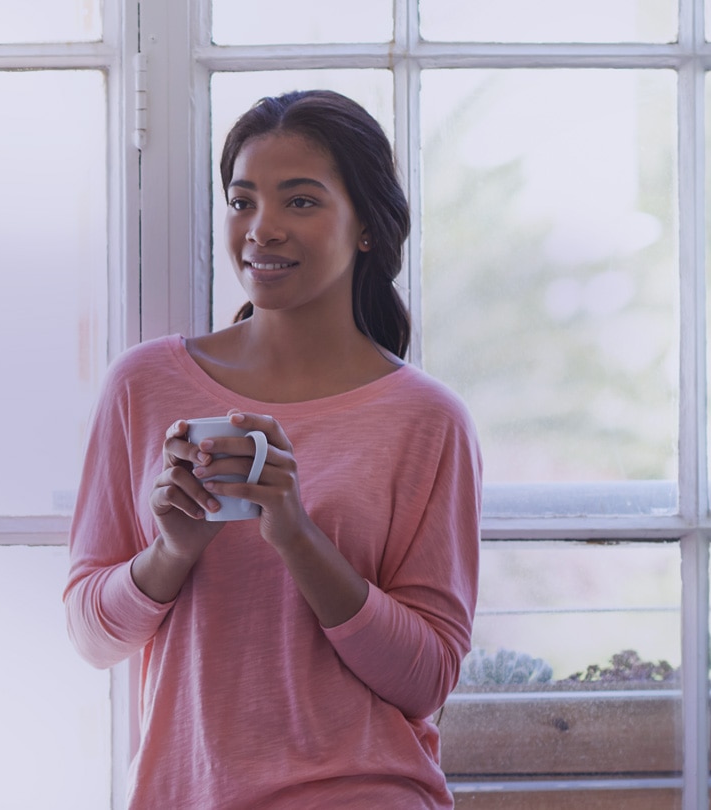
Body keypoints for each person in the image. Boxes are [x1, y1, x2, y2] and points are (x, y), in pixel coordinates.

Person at [64, 90, 483, 808]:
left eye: (301, 202)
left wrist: (295, 535)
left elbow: (427, 679)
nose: (262, 230)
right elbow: (93, 636)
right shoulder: (143, 385)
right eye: (242, 200)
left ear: (366, 229)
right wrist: (170, 553)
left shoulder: (427, 419)